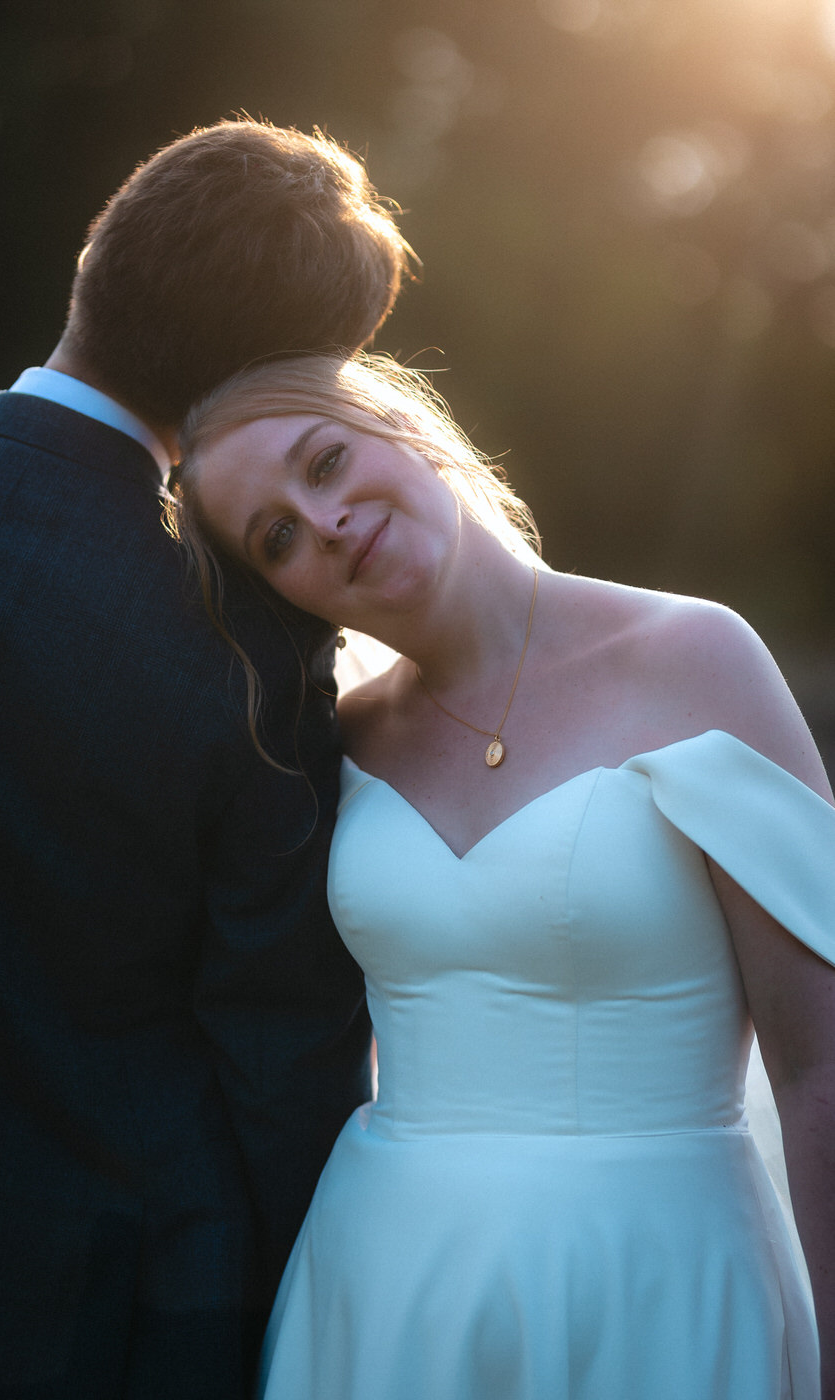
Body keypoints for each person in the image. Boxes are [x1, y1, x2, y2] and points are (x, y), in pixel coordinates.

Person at [167, 351, 835, 1400]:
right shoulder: (329, 744)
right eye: (279, 535)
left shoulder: (696, 655)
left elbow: (820, 1064)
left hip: (660, 1282)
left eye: (328, 461)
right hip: (387, 1292)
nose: (326, 519)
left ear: (402, 422)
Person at [0, 122, 412, 1400]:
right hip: (104, 1293)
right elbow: (279, 1037)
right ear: (284, 379)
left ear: (98, 251)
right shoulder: (248, 631)